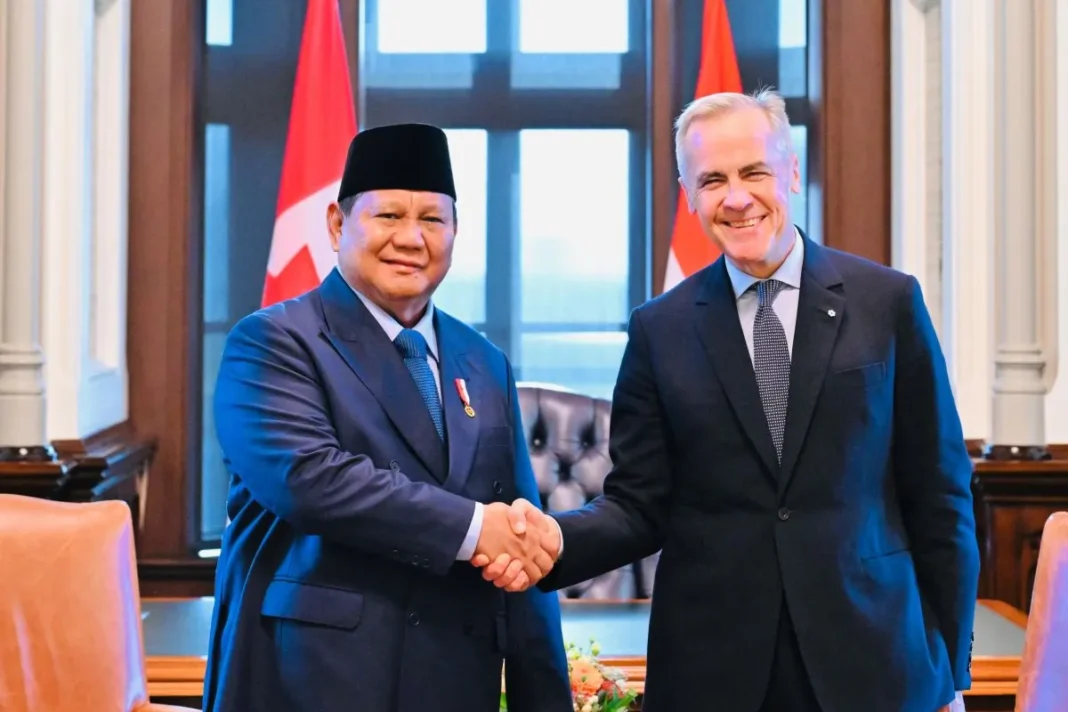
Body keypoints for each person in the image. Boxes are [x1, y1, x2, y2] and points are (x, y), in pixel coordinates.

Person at [475, 90, 979, 712]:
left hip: (875, 661)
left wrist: (951, 671)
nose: (736, 198)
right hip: (714, 670)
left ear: (791, 170)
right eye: (712, 180)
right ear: (689, 196)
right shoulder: (660, 329)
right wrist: (553, 540)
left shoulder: (887, 303)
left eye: (754, 172)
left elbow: (940, 493)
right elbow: (638, 506)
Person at [203, 123, 572, 712]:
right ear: (337, 224)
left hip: (456, 682)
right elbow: (310, 481)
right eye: (389, 216)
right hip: (313, 681)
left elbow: (520, 544)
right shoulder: (274, 342)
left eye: (433, 219)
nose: (411, 238)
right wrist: (477, 527)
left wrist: (544, 697)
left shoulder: (483, 361)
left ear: (455, 232)